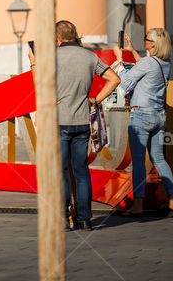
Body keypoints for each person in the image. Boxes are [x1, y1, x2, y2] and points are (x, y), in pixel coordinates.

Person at [33, 20, 120, 231]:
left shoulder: (51, 57)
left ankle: (63, 219)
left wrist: (33, 63)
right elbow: (114, 79)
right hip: (82, 122)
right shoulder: (89, 56)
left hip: (59, 122)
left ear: (57, 38)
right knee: (82, 172)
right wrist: (96, 99)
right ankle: (84, 219)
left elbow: (40, 87)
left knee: (61, 171)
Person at [114, 28, 173, 216]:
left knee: (139, 162)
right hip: (159, 116)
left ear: (153, 44)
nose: (145, 42)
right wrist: (132, 51)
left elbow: (125, 84)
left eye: (146, 39)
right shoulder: (165, 63)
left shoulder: (148, 63)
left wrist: (119, 61)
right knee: (159, 159)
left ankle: (138, 205)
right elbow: (147, 67)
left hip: (141, 115)